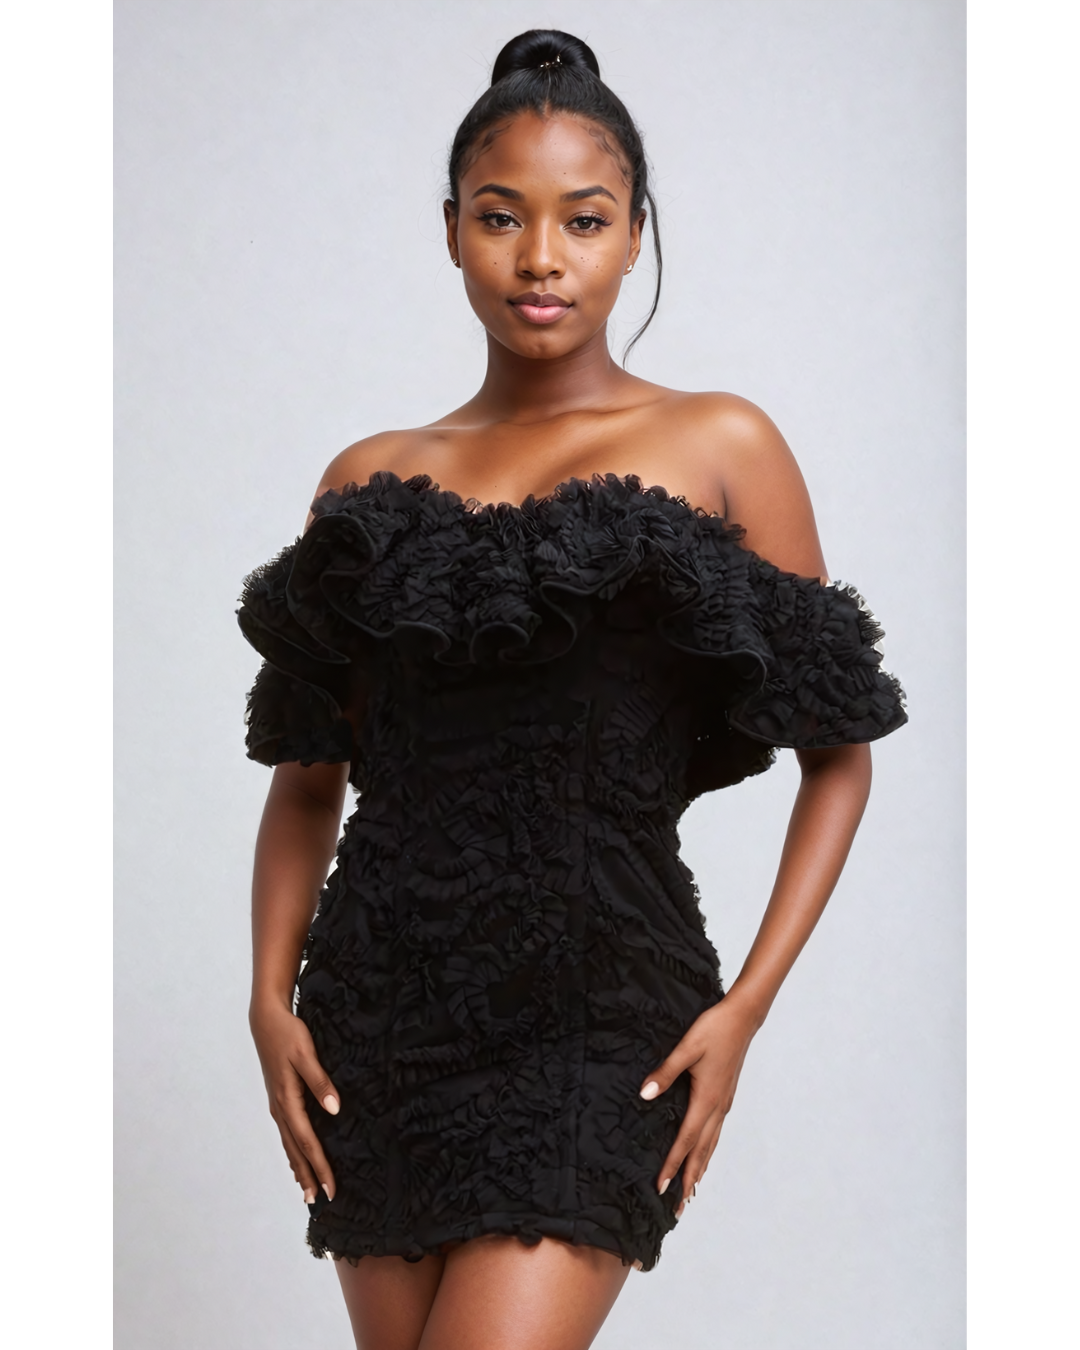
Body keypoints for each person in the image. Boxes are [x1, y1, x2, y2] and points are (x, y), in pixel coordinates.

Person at [238, 28, 907, 1350]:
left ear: (636, 234)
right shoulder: (367, 482)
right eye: (502, 217)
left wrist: (745, 1010)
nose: (541, 256)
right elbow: (310, 779)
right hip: (379, 1013)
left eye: (584, 220)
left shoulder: (720, 441)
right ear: (450, 231)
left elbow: (842, 756)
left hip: (602, 1010)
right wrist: (266, 999)